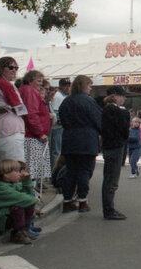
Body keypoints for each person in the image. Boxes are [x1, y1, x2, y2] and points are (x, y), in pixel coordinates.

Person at [58, 75, 100, 213]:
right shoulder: (89, 101)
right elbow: (98, 121)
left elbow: (62, 119)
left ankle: (67, 201)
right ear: (83, 86)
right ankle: (82, 200)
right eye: (89, 86)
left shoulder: (66, 102)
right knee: (84, 171)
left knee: (70, 171)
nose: (90, 88)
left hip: (69, 139)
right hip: (87, 140)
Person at [0, 57, 27, 179]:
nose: (14, 70)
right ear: (1, 68)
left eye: (16, 68)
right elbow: (19, 107)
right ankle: (14, 195)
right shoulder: (5, 84)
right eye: (10, 67)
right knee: (15, 166)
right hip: (11, 130)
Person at [0, 159, 39, 245]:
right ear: (6, 175)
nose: (20, 174)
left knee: (26, 205)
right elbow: (30, 199)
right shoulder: (2, 189)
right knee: (18, 207)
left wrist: (26, 181)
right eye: (16, 171)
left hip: (4, 215)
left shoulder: (13, 185)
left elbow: (29, 196)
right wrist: (31, 201)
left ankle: (24, 230)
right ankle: (17, 232)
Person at [100, 86, 129, 220]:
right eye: (122, 96)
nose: (124, 98)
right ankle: (109, 210)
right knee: (111, 180)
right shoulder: (114, 110)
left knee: (110, 178)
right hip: (115, 146)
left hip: (109, 146)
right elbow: (124, 130)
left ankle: (109, 208)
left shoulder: (106, 109)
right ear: (115, 96)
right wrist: (124, 112)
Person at [19, 70, 51, 185]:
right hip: (32, 135)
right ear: (30, 80)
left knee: (32, 166)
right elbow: (31, 113)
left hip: (31, 134)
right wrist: (40, 132)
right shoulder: (29, 91)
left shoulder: (26, 90)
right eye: (38, 81)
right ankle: (30, 191)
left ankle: (31, 189)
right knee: (33, 167)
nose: (40, 84)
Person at [48, 78, 69, 169]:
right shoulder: (58, 96)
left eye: (68, 85)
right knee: (56, 151)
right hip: (57, 127)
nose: (67, 88)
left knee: (58, 150)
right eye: (65, 85)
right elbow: (56, 113)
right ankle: (54, 172)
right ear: (60, 86)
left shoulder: (63, 96)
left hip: (61, 126)